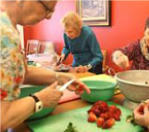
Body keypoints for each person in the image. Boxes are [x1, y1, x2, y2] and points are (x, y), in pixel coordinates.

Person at [0, 1, 90, 131]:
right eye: (47, 9)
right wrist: (39, 100)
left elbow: (25, 72)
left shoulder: (8, 26)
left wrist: (62, 78)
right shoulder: (5, 34)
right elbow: (2, 118)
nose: (49, 17)